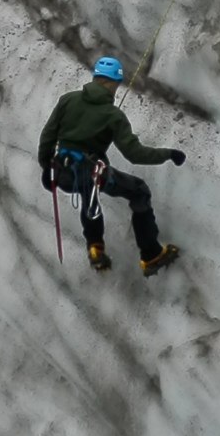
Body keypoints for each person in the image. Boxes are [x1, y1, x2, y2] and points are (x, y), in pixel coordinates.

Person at [38, 56, 186, 276]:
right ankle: (151, 254)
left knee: (89, 191)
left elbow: (48, 136)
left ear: (96, 77)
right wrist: (169, 154)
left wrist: (47, 168)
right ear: (114, 82)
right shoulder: (113, 116)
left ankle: (96, 247)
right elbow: (134, 154)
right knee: (138, 191)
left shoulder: (67, 100)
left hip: (62, 173)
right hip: (90, 171)